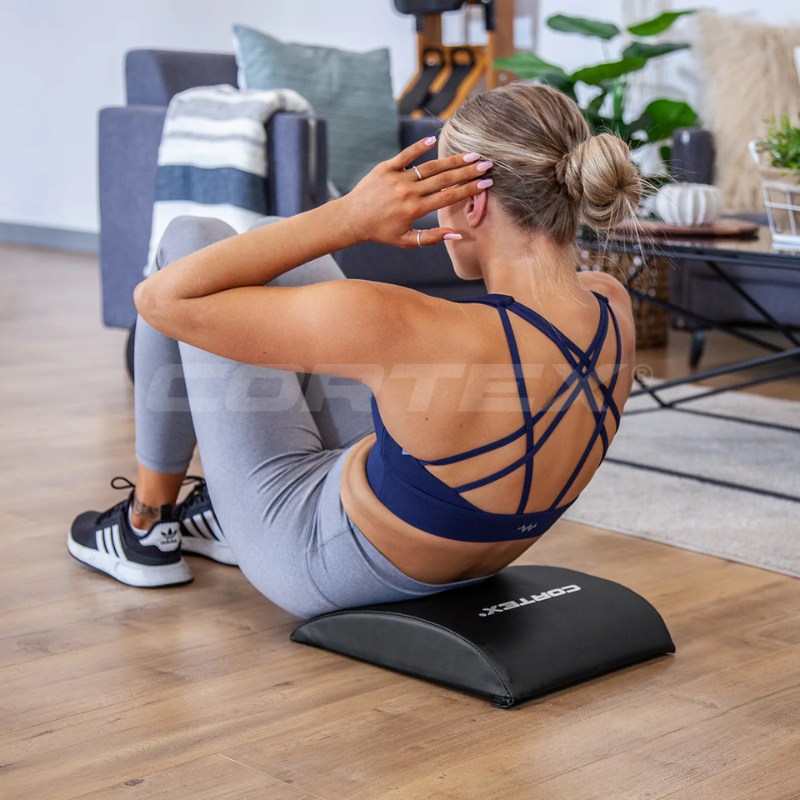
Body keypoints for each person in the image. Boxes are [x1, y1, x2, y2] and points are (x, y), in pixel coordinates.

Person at [69, 83, 639, 618]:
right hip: (465, 551)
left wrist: (349, 217)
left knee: (190, 238)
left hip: (322, 559)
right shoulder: (611, 305)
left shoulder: (412, 328)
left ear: (473, 204)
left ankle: (147, 525)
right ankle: (220, 518)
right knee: (275, 232)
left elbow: (159, 300)